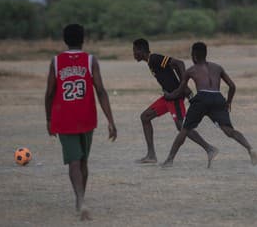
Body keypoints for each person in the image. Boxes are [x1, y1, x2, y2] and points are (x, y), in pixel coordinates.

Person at [45, 24, 117, 221]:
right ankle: (81, 200)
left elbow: (49, 93)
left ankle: (80, 199)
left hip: (64, 119)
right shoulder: (90, 60)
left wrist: (49, 118)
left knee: (74, 162)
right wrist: (110, 121)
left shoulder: (57, 62)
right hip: (87, 118)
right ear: (83, 39)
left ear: (64, 39)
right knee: (83, 160)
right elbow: (101, 91)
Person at [162, 42, 257, 168]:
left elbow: (180, 90)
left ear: (194, 56)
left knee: (184, 130)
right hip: (218, 98)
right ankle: (250, 149)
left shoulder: (191, 70)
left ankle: (169, 160)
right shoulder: (218, 67)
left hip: (202, 98)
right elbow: (232, 86)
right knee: (229, 131)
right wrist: (228, 102)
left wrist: (168, 96)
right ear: (206, 54)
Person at [133, 38, 218, 167]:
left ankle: (209, 148)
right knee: (145, 117)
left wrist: (183, 86)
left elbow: (179, 63)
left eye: (134, 50)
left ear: (140, 50)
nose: (133, 54)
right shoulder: (150, 62)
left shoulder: (155, 58)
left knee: (182, 127)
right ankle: (151, 155)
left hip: (175, 97)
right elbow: (174, 69)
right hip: (167, 97)